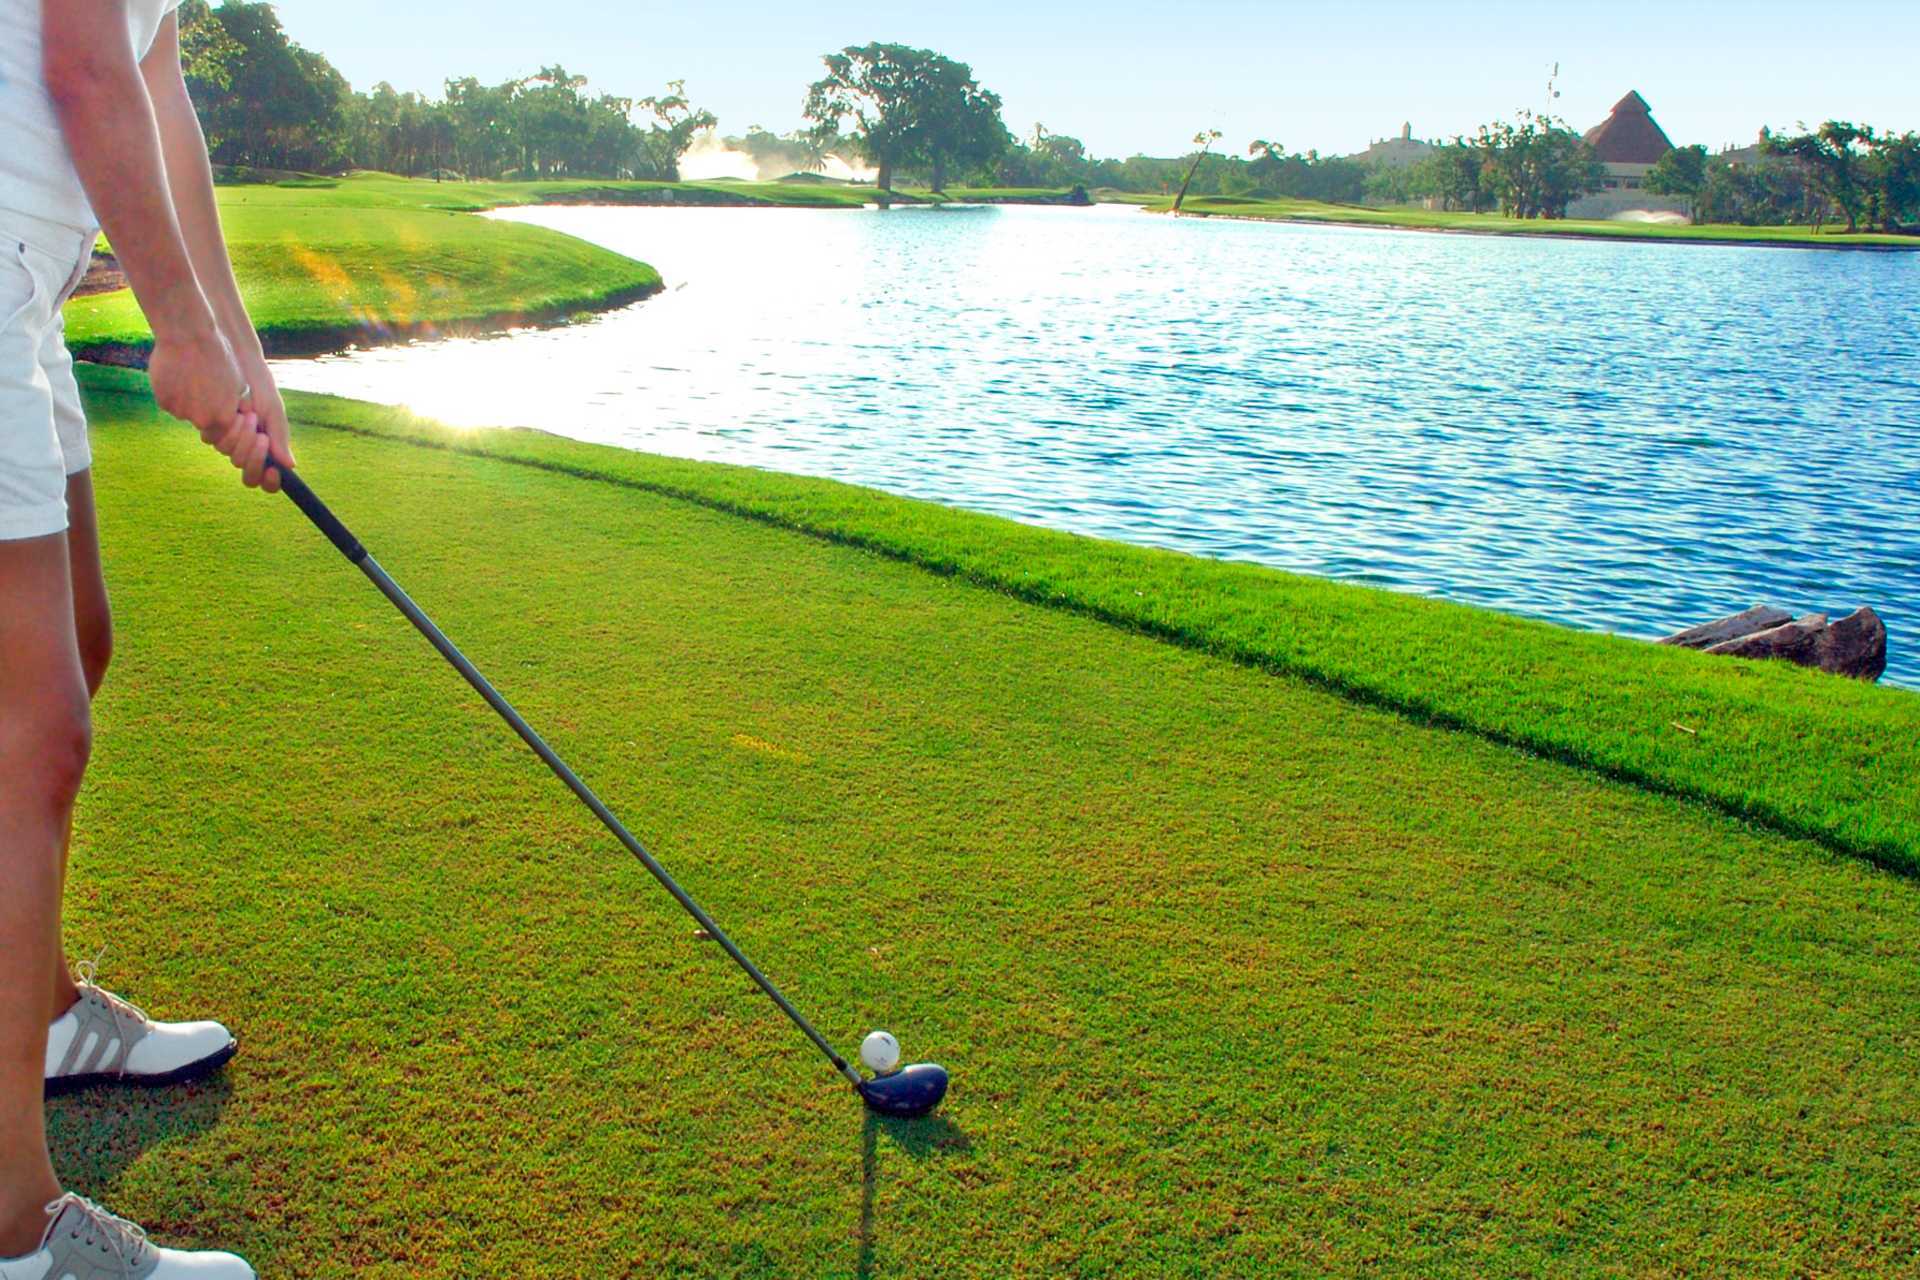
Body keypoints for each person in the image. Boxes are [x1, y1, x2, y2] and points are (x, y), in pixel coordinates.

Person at [2, 0, 294, 1274]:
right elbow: (77, 66)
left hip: (28, 287)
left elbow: (157, 94)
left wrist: (236, 344)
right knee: (31, 728)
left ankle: (49, 1014)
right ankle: (14, 1226)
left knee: (82, 635)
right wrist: (176, 325)